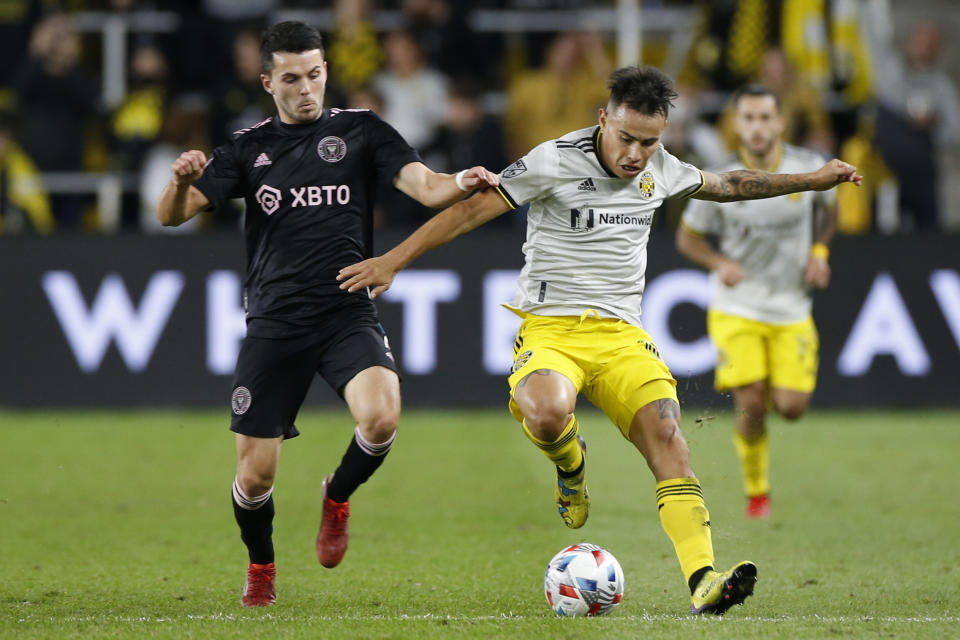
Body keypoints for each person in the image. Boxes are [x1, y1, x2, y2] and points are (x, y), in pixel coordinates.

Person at [337, 65, 861, 615]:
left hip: (621, 337)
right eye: (626, 138)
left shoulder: (661, 166)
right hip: (551, 329)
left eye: (650, 141)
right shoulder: (553, 160)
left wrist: (812, 178)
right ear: (604, 118)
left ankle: (704, 579)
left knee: (669, 438)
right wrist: (392, 262)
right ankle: (571, 468)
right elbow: (469, 212)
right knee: (543, 413)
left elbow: (728, 184)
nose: (636, 154)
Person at [155, 21, 498, 608]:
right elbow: (173, 216)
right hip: (274, 324)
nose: (305, 89)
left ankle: (336, 496)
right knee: (255, 478)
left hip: (345, 312)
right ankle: (261, 565)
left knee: (382, 417)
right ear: (268, 81)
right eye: (291, 78)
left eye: (314, 74)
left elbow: (427, 187)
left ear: (325, 73)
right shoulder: (246, 148)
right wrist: (179, 182)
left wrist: (463, 179)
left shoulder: (362, 132)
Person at [675, 85, 838, 520]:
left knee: (790, 407)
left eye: (766, 117)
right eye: (748, 118)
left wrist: (820, 252)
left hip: (791, 307)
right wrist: (718, 261)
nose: (757, 127)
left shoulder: (808, 169)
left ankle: (761, 416)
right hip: (737, 305)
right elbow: (687, 238)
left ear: (781, 122)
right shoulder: (718, 177)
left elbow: (830, 212)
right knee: (750, 400)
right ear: (736, 124)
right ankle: (757, 492)